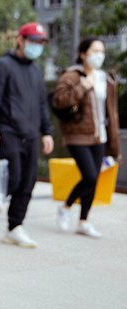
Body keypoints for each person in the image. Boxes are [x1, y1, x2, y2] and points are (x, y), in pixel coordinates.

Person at [0, 22, 55, 247]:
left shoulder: (35, 71)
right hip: (7, 131)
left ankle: (14, 227)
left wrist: (47, 131)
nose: (36, 46)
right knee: (11, 178)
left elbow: (42, 103)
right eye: (33, 41)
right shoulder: (2, 66)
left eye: (40, 43)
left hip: (31, 133)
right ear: (20, 40)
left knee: (27, 182)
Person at [52, 37, 121, 238]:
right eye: (94, 51)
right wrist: (83, 86)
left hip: (101, 135)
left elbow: (112, 111)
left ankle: (83, 221)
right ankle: (65, 207)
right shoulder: (72, 75)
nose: (99, 55)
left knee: (94, 179)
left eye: (102, 51)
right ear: (83, 54)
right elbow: (59, 100)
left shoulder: (105, 78)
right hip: (77, 134)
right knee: (90, 175)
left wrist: (114, 143)